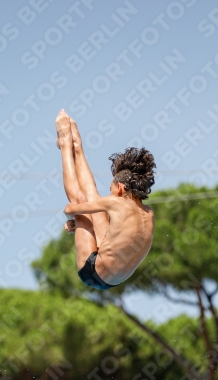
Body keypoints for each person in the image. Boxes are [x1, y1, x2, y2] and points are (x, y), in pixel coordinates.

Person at [55, 109, 156, 290]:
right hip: (114, 278)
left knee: (78, 201)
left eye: (111, 190)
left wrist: (73, 218)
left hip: (93, 272)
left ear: (120, 188)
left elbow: (70, 209)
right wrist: (79, 223)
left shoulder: (116, 202)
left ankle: (65, 144)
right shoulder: (149, 213)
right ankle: (77, 146)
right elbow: (119, 237)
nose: (109, 195)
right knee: (92, 202)